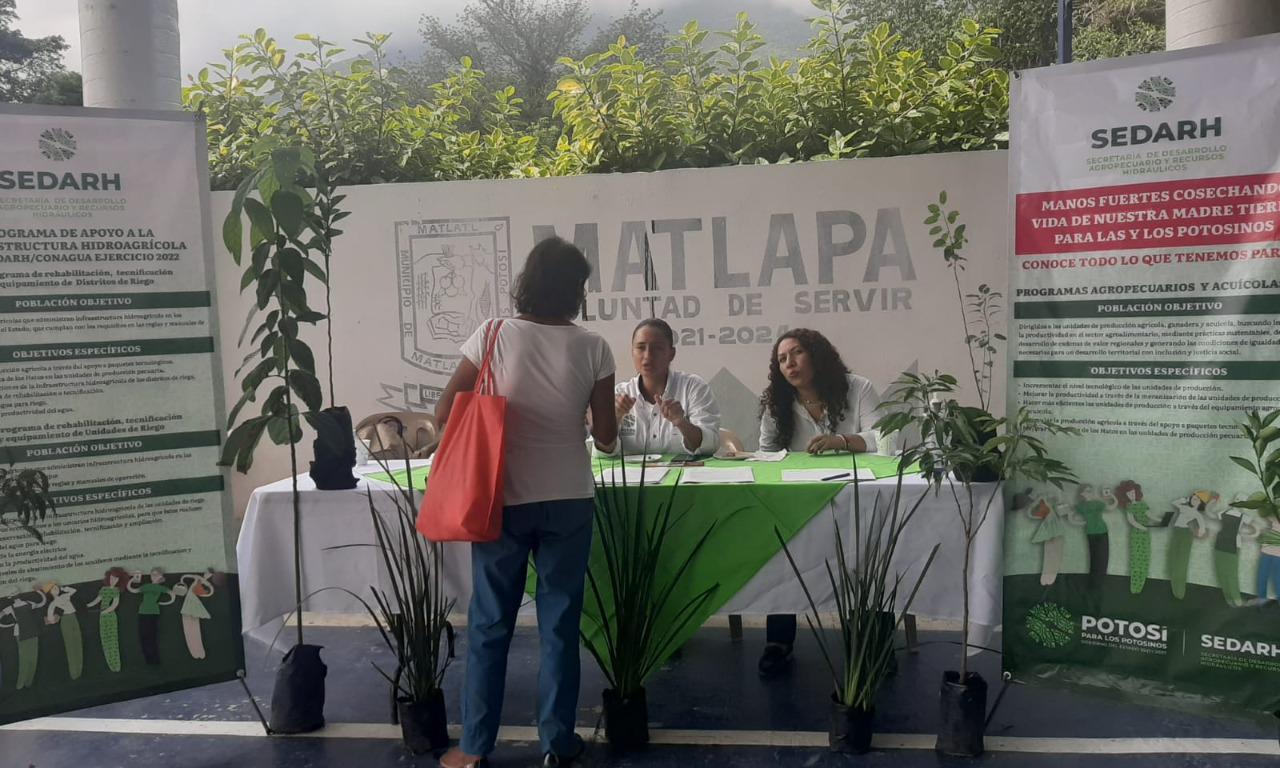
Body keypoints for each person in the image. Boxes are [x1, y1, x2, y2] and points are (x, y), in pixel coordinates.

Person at [438, 236, 617, 768]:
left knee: (491, 623)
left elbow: (447, 411)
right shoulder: (595, 347)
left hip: (504, 496)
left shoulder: (493, 333)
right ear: (576, 289)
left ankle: (475, 747)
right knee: (560, 626)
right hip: (569, 498)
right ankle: (557, 743)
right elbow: (606, 438)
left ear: (528, 281)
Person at [756, 328, 880, 678]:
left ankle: (874, 643)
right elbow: (766, 452)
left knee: (869, 554)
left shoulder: (858, 388)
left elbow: (885, 437)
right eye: (782, 359)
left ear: (817, 354)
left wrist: (842, 441)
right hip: (797, 502)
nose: (789, 363)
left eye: (796, 353)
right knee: (781, 553)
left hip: (855, 497)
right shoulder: (776, 401)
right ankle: (778, 642)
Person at [602, 318, 720, 457]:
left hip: (684, 470)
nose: (647, 356)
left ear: (671, 354)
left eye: (657, 348)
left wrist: (681, 423)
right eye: (640, 348)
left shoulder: (693, 388)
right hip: (631, 472)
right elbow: (602, 452)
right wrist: (615, 418)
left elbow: (710, 445)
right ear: (632, 352)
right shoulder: (619, 394)